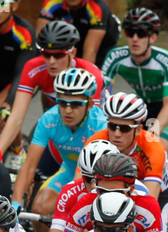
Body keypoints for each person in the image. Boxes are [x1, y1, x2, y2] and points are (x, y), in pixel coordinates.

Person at [0, 20, 105, 159]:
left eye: (58, 55)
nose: (51, 61)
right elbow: (16, 116)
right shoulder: (34, 68)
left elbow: (92, 125)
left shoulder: (89, 74)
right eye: (46, 54)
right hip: (62, 115)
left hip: (91, 122)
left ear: (73, 53)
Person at [12, 67, 105, 223]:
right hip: (69, 170)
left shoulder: (98, 124)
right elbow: (29, 165)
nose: (67, 110)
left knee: (81, 214)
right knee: (39, 209)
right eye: (62, 103)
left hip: (95, 178)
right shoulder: (49, 119)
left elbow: (83, 172)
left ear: (89, 104)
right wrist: (16, 201)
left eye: (75, 104)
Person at [101, 7, 168, 145]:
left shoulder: (167, 60)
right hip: (140, 103)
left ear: (153, 37)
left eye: (141, 34)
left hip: (164, 104)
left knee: (156, 146)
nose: (135, 39)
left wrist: (153, 132)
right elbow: (101, 93)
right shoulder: (115, 57)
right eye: (130, 33)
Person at [38, 0, 121, 67]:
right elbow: (40, 41)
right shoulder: (52, 1)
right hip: (74, 43)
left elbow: (90, 52)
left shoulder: (97, 7)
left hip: (102, 48)